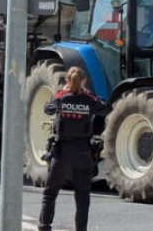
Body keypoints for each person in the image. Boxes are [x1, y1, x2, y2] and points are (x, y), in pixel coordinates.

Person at [38, 66, 105, 231]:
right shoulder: (90, 100)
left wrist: (64, 92)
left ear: (67, 81)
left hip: (62, 153)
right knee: (82, 196)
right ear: (84, 81)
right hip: (83, 153)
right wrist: (85, 92)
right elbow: (103, 105)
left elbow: (48, 109)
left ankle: (44, 226)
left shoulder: (61, 97)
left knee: (50, 193)